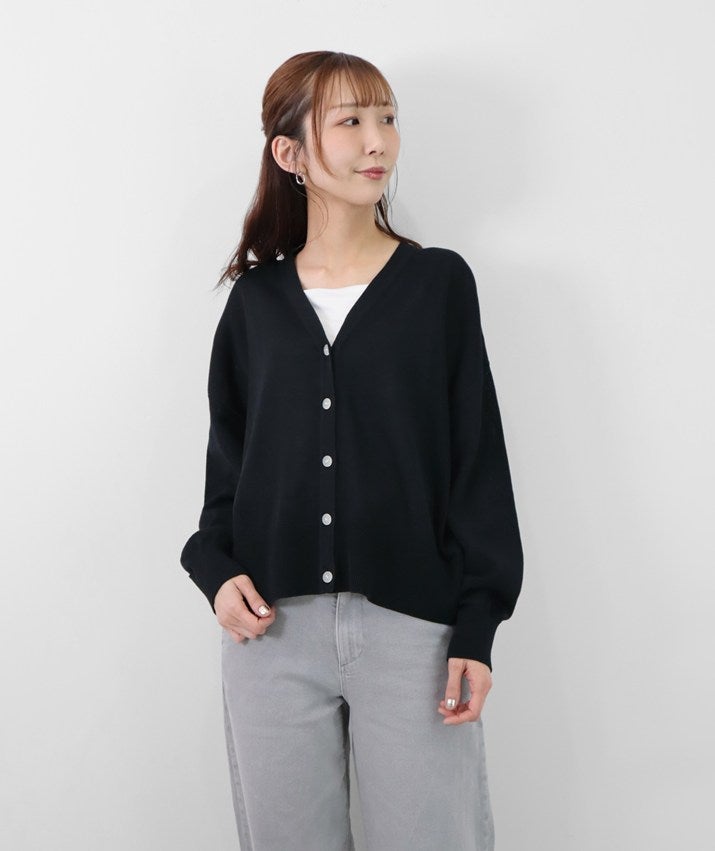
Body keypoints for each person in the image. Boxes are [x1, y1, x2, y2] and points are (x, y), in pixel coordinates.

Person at [180, 50, 524, 851]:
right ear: (290, 152)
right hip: (270, 636)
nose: (378, 141)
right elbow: (228, 476)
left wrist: (476, 628)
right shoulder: (255, 304)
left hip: (413, 631)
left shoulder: (437, 285)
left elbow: (475, 462)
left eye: (387, 118)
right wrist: (214, 571)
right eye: (351, 121)